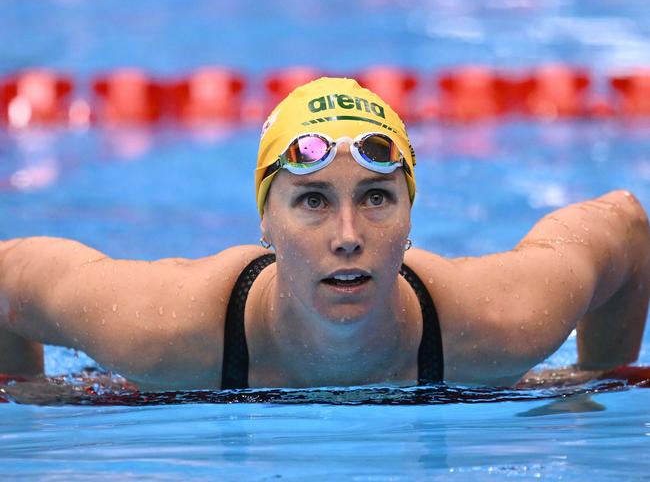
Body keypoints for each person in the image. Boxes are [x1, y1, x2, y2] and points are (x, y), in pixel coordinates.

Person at [0, 77, 649, 392]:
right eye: (312, 200)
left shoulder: (503, 320)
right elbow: (11, 272)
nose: (347, 235)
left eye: (376, 198)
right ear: (266, 223)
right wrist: (28, 401)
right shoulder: (155, 331)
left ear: (410, 217)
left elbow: (624, 224)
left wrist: (595, 382)